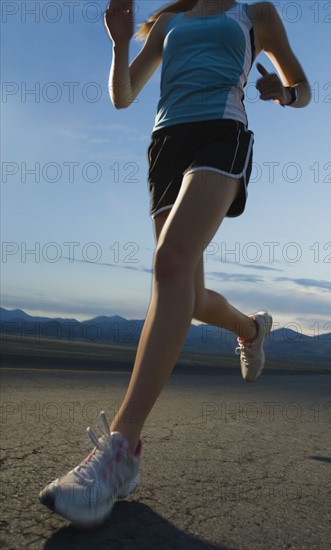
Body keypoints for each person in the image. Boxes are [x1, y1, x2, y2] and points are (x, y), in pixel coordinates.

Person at [39, 0, 311, 528]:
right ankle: (253, 330)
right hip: (166, 146)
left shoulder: (256, 15)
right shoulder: (168, 24)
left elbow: (303, 88)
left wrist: (283, 93)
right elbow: (124, 97)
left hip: (222, 133)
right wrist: (120, 46)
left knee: (169, 266)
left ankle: (119, 453)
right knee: (187, 293)